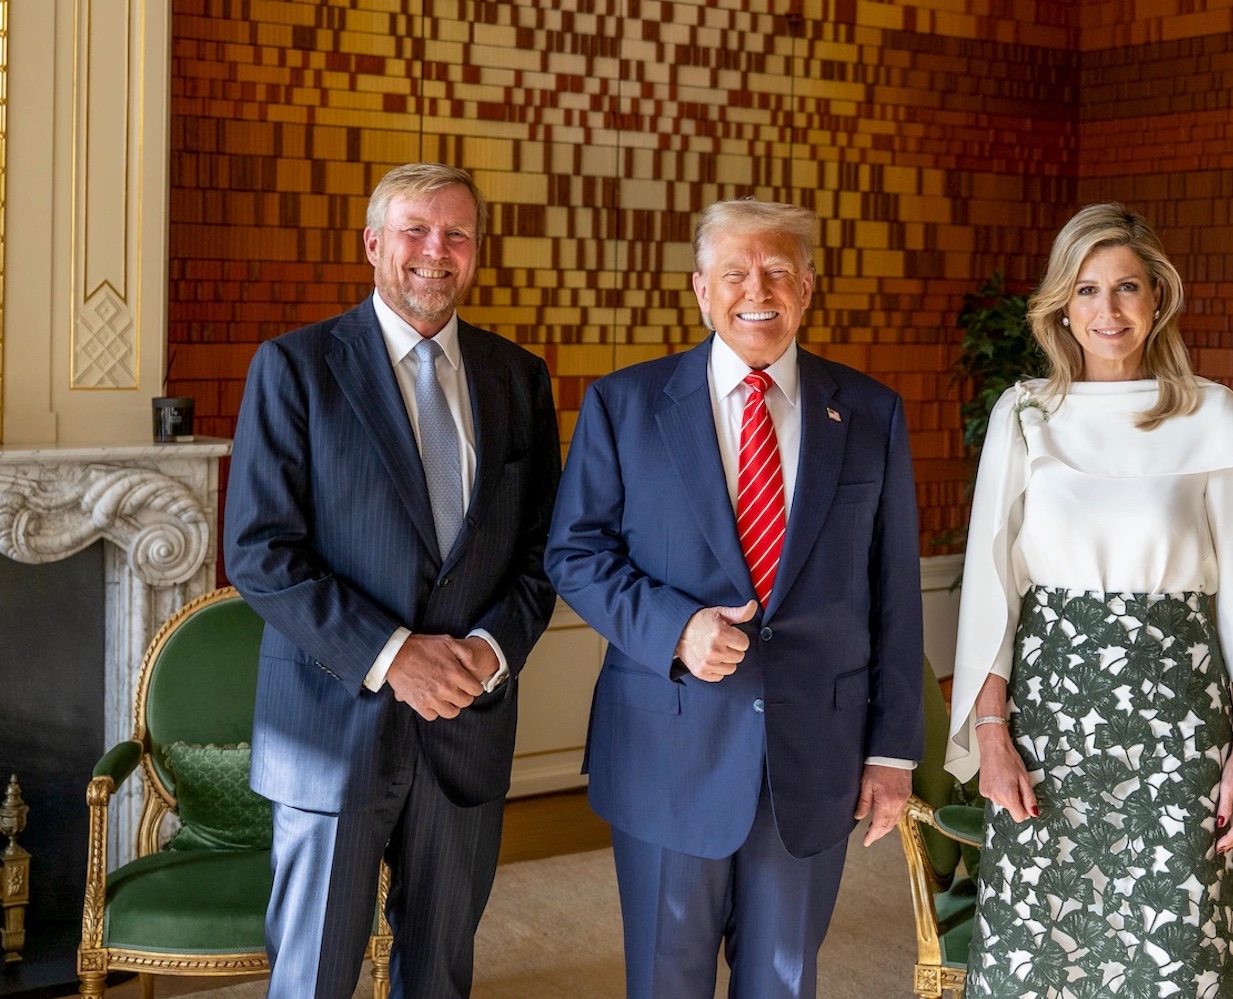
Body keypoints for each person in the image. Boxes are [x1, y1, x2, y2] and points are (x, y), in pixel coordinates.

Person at [545, 198, 924, 999]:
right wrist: (676, 629)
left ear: (808, 287)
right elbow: (573, 554)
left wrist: (891, 753)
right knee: (666, 982)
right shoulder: (625, 405)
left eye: (779, 271)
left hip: (813, 758)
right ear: (701, 289)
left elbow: (893, 595)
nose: (759, 289)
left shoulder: (870, 412)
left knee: (783, 983)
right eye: (736, 272)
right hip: (665, 751)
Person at [224, 162, 560, 998]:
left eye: (456, 234)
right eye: (415, 229)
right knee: (314, 978)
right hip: (333, 730)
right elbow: (261, 551)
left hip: (465, 730)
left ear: (477, 253)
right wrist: (394, 653)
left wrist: (487, 651)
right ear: (374, 243)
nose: (434, 253)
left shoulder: (519, 379)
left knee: (440, 976)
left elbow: (542, 550)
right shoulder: (295, 367)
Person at [946, 203, 1233, 997]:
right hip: (1049, 719)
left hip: (1181, 719)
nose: (1108, 311)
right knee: (1045, 939)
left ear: (1158, 297)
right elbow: (993, 588)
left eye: (1127, 287)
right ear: (1062, 306)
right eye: (1088, 289)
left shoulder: (1212, 414)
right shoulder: (1025, 413)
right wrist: (992, 733)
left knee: (1177, 938)